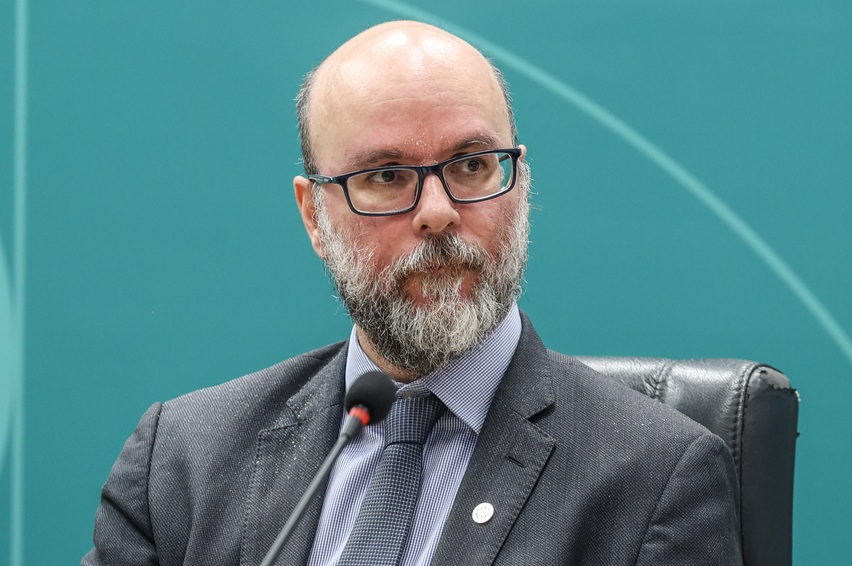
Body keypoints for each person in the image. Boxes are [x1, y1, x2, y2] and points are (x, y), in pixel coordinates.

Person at [83, 20, 742, 566]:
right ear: (313, 216)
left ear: (519, 184)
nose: (438, 212)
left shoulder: (655, 478)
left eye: (472, 165)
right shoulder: (183, 461)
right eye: (387, 175)